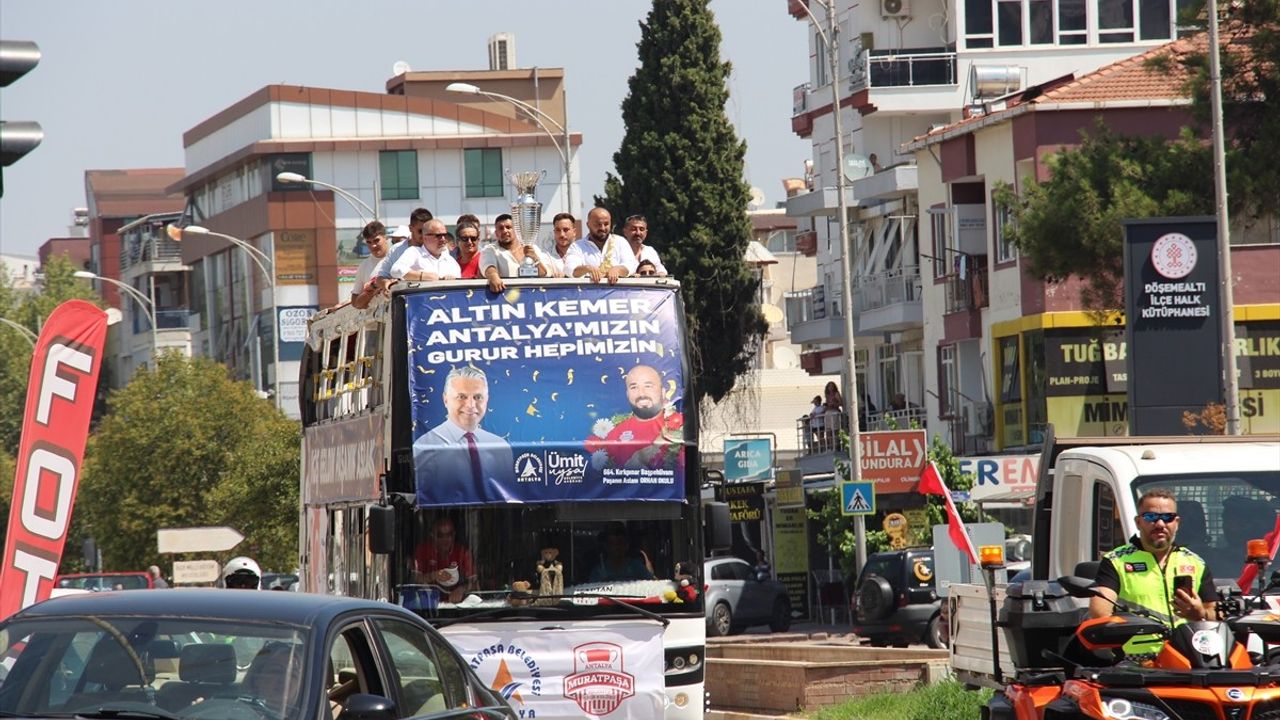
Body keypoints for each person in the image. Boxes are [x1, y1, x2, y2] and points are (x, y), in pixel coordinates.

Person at [1089, 488, 1217, 655]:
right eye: (1151, 517)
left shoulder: (1195, 562)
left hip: (1189, 656)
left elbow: (1214, 614)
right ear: (1138, 522)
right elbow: (1100, 612)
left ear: (1176, 522)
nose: (1160, 524)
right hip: (1136, 661)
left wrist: (1200, 613)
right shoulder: (1116, 560)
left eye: (1167, 517)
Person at [413, 366, 515, 499]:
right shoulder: (425, 446)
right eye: (462, 397)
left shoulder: (500, 446)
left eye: (478, 397)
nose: (471, 405)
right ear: (445, 400)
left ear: (487, 400)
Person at [584, 364, 683, 469]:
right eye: (634, 387)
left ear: (663, 392)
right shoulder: (615, 433)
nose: (641, 393)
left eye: (648, 386)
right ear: (627, 394)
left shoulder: (680, 424)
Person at [565, 207, 637, 283]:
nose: (602, 228)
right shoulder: (577, 246)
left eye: (606, 224)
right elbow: (569, 269)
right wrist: (587, 268)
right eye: (598, 224)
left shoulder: (620, 242)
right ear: (588, 225)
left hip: (616, 293)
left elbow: (631, 266)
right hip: (588, 293)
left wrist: (617, 269)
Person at [414, 516, 478, 603]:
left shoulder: (462, 552)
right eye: (440, 535)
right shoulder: (423, 550)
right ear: (432, 535)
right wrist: (434, 575)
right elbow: (414, 580)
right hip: (428, 603)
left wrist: (461, 589)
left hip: (457, 605)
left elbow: (475, 583)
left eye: (449, 535)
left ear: (454, 535)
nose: (445, 539)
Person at [481, 213, 548, 292]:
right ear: (496, 233)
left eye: (508, 227)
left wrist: (535, 258)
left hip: (532, 296)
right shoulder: (490, 249)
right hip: (506, 297)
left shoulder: (531, 247)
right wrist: (493, 276)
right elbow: (488, 265)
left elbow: (545, 274)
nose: (505, 231)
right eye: (501, 228)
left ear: (516, 230)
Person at [241, 642, 304, 716]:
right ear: (256, 678)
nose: (285, 679)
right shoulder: (237, 712)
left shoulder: (313, 714)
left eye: (293, 674)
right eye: (276, 671)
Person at [589, 523, 654, 583]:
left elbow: (651, 584)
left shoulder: (636, 566)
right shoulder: (599, 571)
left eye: (621, 543)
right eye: (613, 544)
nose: (618, 547)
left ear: (627, 545)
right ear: (606, 546)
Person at [351, 221, 390, 309]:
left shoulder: (397, 258)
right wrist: (372, 289)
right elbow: (356, 303)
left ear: (385, 238)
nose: (373, 246)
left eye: (376, 240)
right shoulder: (364, 266)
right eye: (369, 242)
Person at [545, 212, 577, 277]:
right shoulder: (546, 256)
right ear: (554, 232)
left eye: (566, 230)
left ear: (574, 232)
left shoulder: (582, 253)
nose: (561, 234)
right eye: (558, 230)